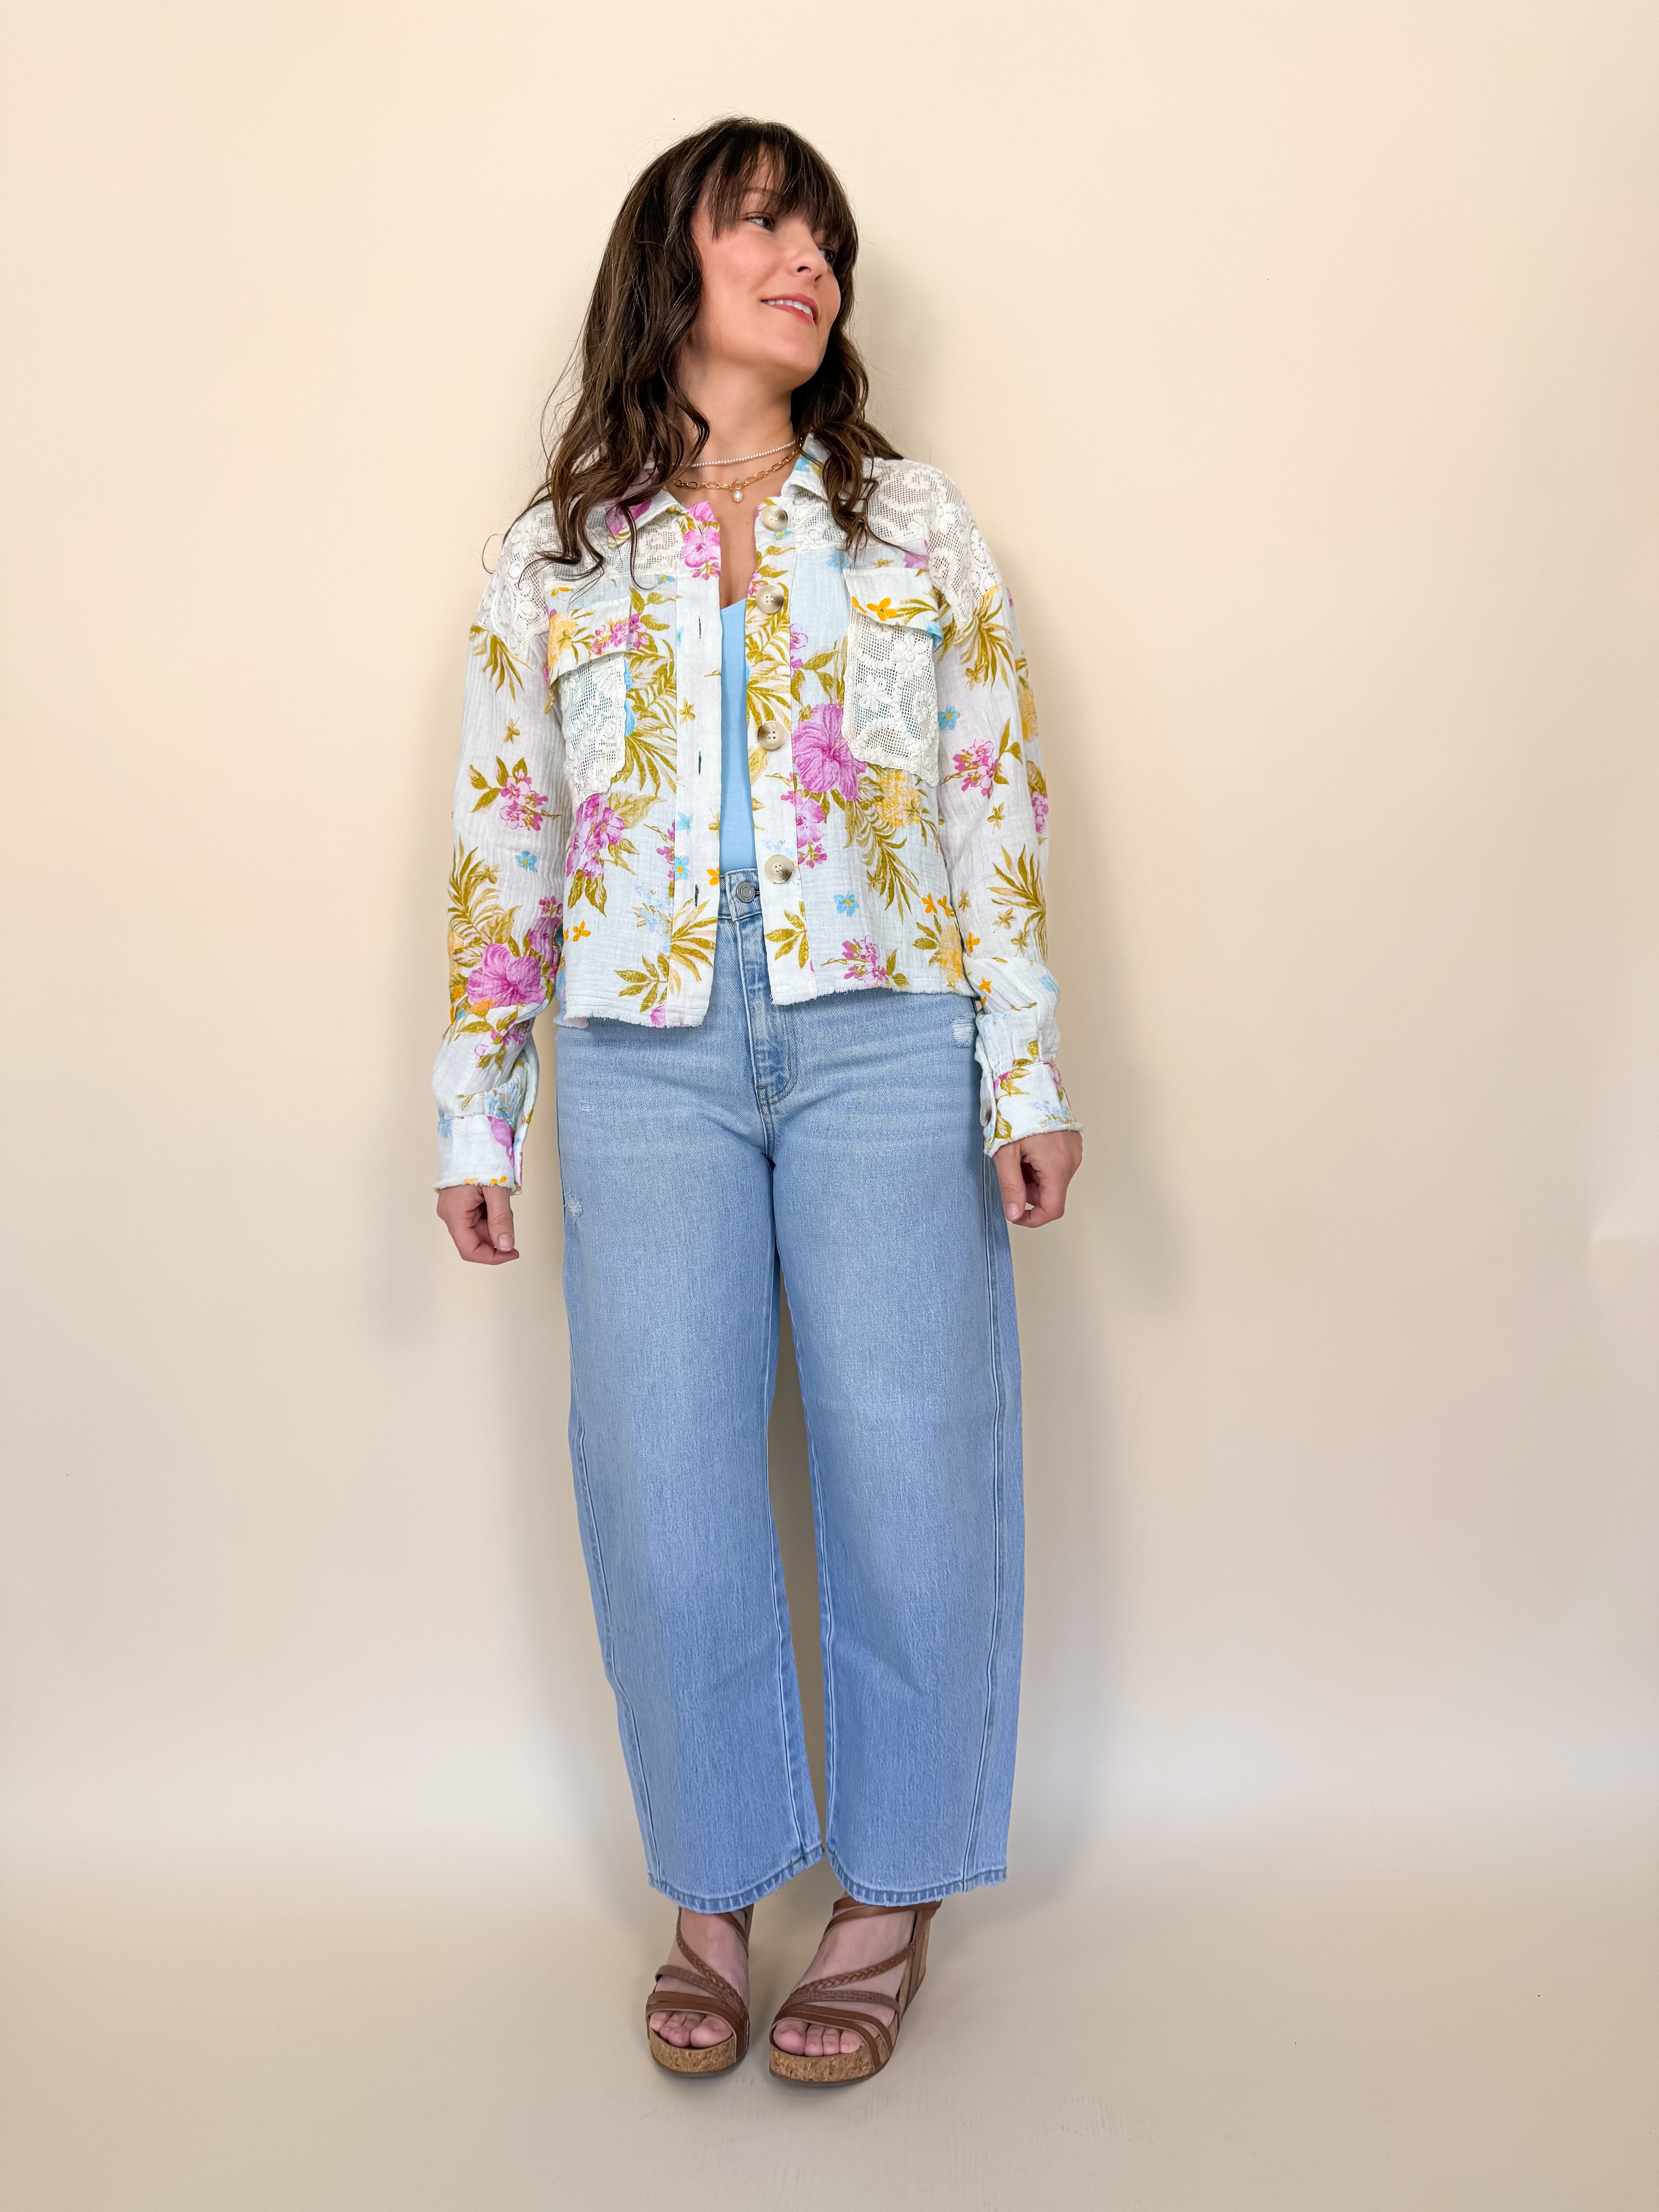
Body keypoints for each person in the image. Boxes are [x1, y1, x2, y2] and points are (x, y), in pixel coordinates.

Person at [433, 118, 1082, 2085]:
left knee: (913, 1452)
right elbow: (507, 838)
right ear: (676, 263)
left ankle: (889, 1893)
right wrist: (479, 1114)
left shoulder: (915, 530)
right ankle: (712, 1892)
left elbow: (991, 802)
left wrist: (1024, 1072)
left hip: (889, 1031)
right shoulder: (554, 557)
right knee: (664, 1471)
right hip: (643, 1053)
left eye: (829, 241)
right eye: (767, 226)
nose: (811, 263)